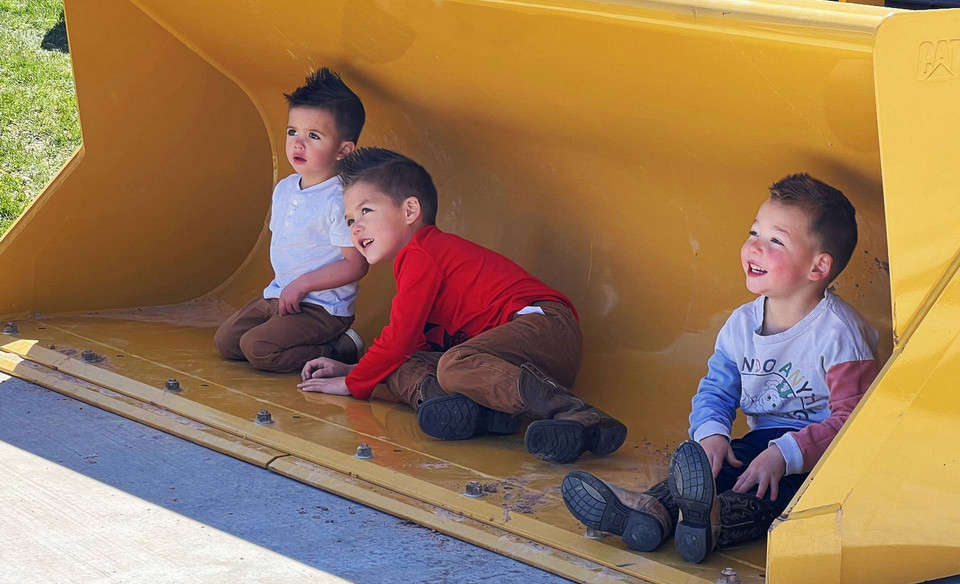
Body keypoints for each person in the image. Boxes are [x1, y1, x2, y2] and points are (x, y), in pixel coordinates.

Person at [562, 173, 879, 562]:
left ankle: (709, 522)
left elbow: (855, 423)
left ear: (818, 267)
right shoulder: (742, 324)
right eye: (754, 232)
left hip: (817, 463)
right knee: (711, 471)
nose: (754, 247)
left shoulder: (839, 335)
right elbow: (717, 389)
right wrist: (712, 434)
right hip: (759, 444)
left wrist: (785, 455)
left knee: (764, 493)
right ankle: (652, 511)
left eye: (775, 241)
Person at [297, 147, 627, 463]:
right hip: (506, 363)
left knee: (453, 363)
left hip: (543, 327)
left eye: (365, 211)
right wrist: (356, 370)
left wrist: (352, 383)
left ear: (410, 210)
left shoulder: (423, 252)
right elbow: (406, 350)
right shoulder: (413, 263)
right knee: (408, 366)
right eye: (350, 219)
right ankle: (473, 410)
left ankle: (576, 412)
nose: (356, 227)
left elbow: (397, 338)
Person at [214, 69, 369, 373]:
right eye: (292, 132)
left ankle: (340, 348)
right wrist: (288, 289)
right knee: (227, 342)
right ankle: (282, 331)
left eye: (313, 136)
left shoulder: (340, 199)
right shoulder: (285, 187)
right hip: (279, 294)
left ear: (343, 150)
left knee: (258, 349)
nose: (298, 144)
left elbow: (356, 264)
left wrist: (302, 285)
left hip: (322, 308)